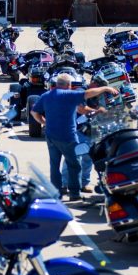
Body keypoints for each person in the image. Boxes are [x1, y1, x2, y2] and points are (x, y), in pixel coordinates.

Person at [30, 73, 119, 201]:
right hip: (68, 136)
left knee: (54, 165)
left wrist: (44, 122)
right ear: (68, 85)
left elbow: (34, 112)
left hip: (50, 135)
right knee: (74, 165)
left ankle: (56, 193)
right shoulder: (69, 95)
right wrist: (106, 88)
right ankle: (74, 194)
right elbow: (89, 93)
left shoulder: (46, 96)